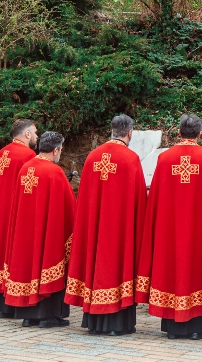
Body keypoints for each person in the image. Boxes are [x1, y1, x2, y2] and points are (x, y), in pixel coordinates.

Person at [136, 113, 202, 340]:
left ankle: (173, 327)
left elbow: (155, 198)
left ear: (178, 132)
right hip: (200, 231)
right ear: (199, 133)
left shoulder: (165, 158)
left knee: (171, 269)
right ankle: (198, 328)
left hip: (170, 231)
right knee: (198, 269)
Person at [65, 114, 148, 336]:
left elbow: (84, 199)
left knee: (97, 264)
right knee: (118, 266)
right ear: (129, 132)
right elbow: (140, 199)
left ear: (111, 130)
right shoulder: (130, 159)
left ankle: (94, 322)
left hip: (96, 227)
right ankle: (118, 324)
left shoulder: (92, 157)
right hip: (120, 229)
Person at [2, 131, 77, 328]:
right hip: (47, 232)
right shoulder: (54, 172)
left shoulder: (25, 168)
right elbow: (69, 207)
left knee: (28, 265)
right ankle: (48, 316)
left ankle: (28, 315)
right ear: (56, 150)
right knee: (46, 259)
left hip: (25, 231)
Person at [0, 119, 38, 318]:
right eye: (35, 132)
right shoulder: (28, 155)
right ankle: (9, 304)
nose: (36, 136)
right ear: (27, 134)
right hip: (14, 212)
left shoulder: (2, 152)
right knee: (10, 253)